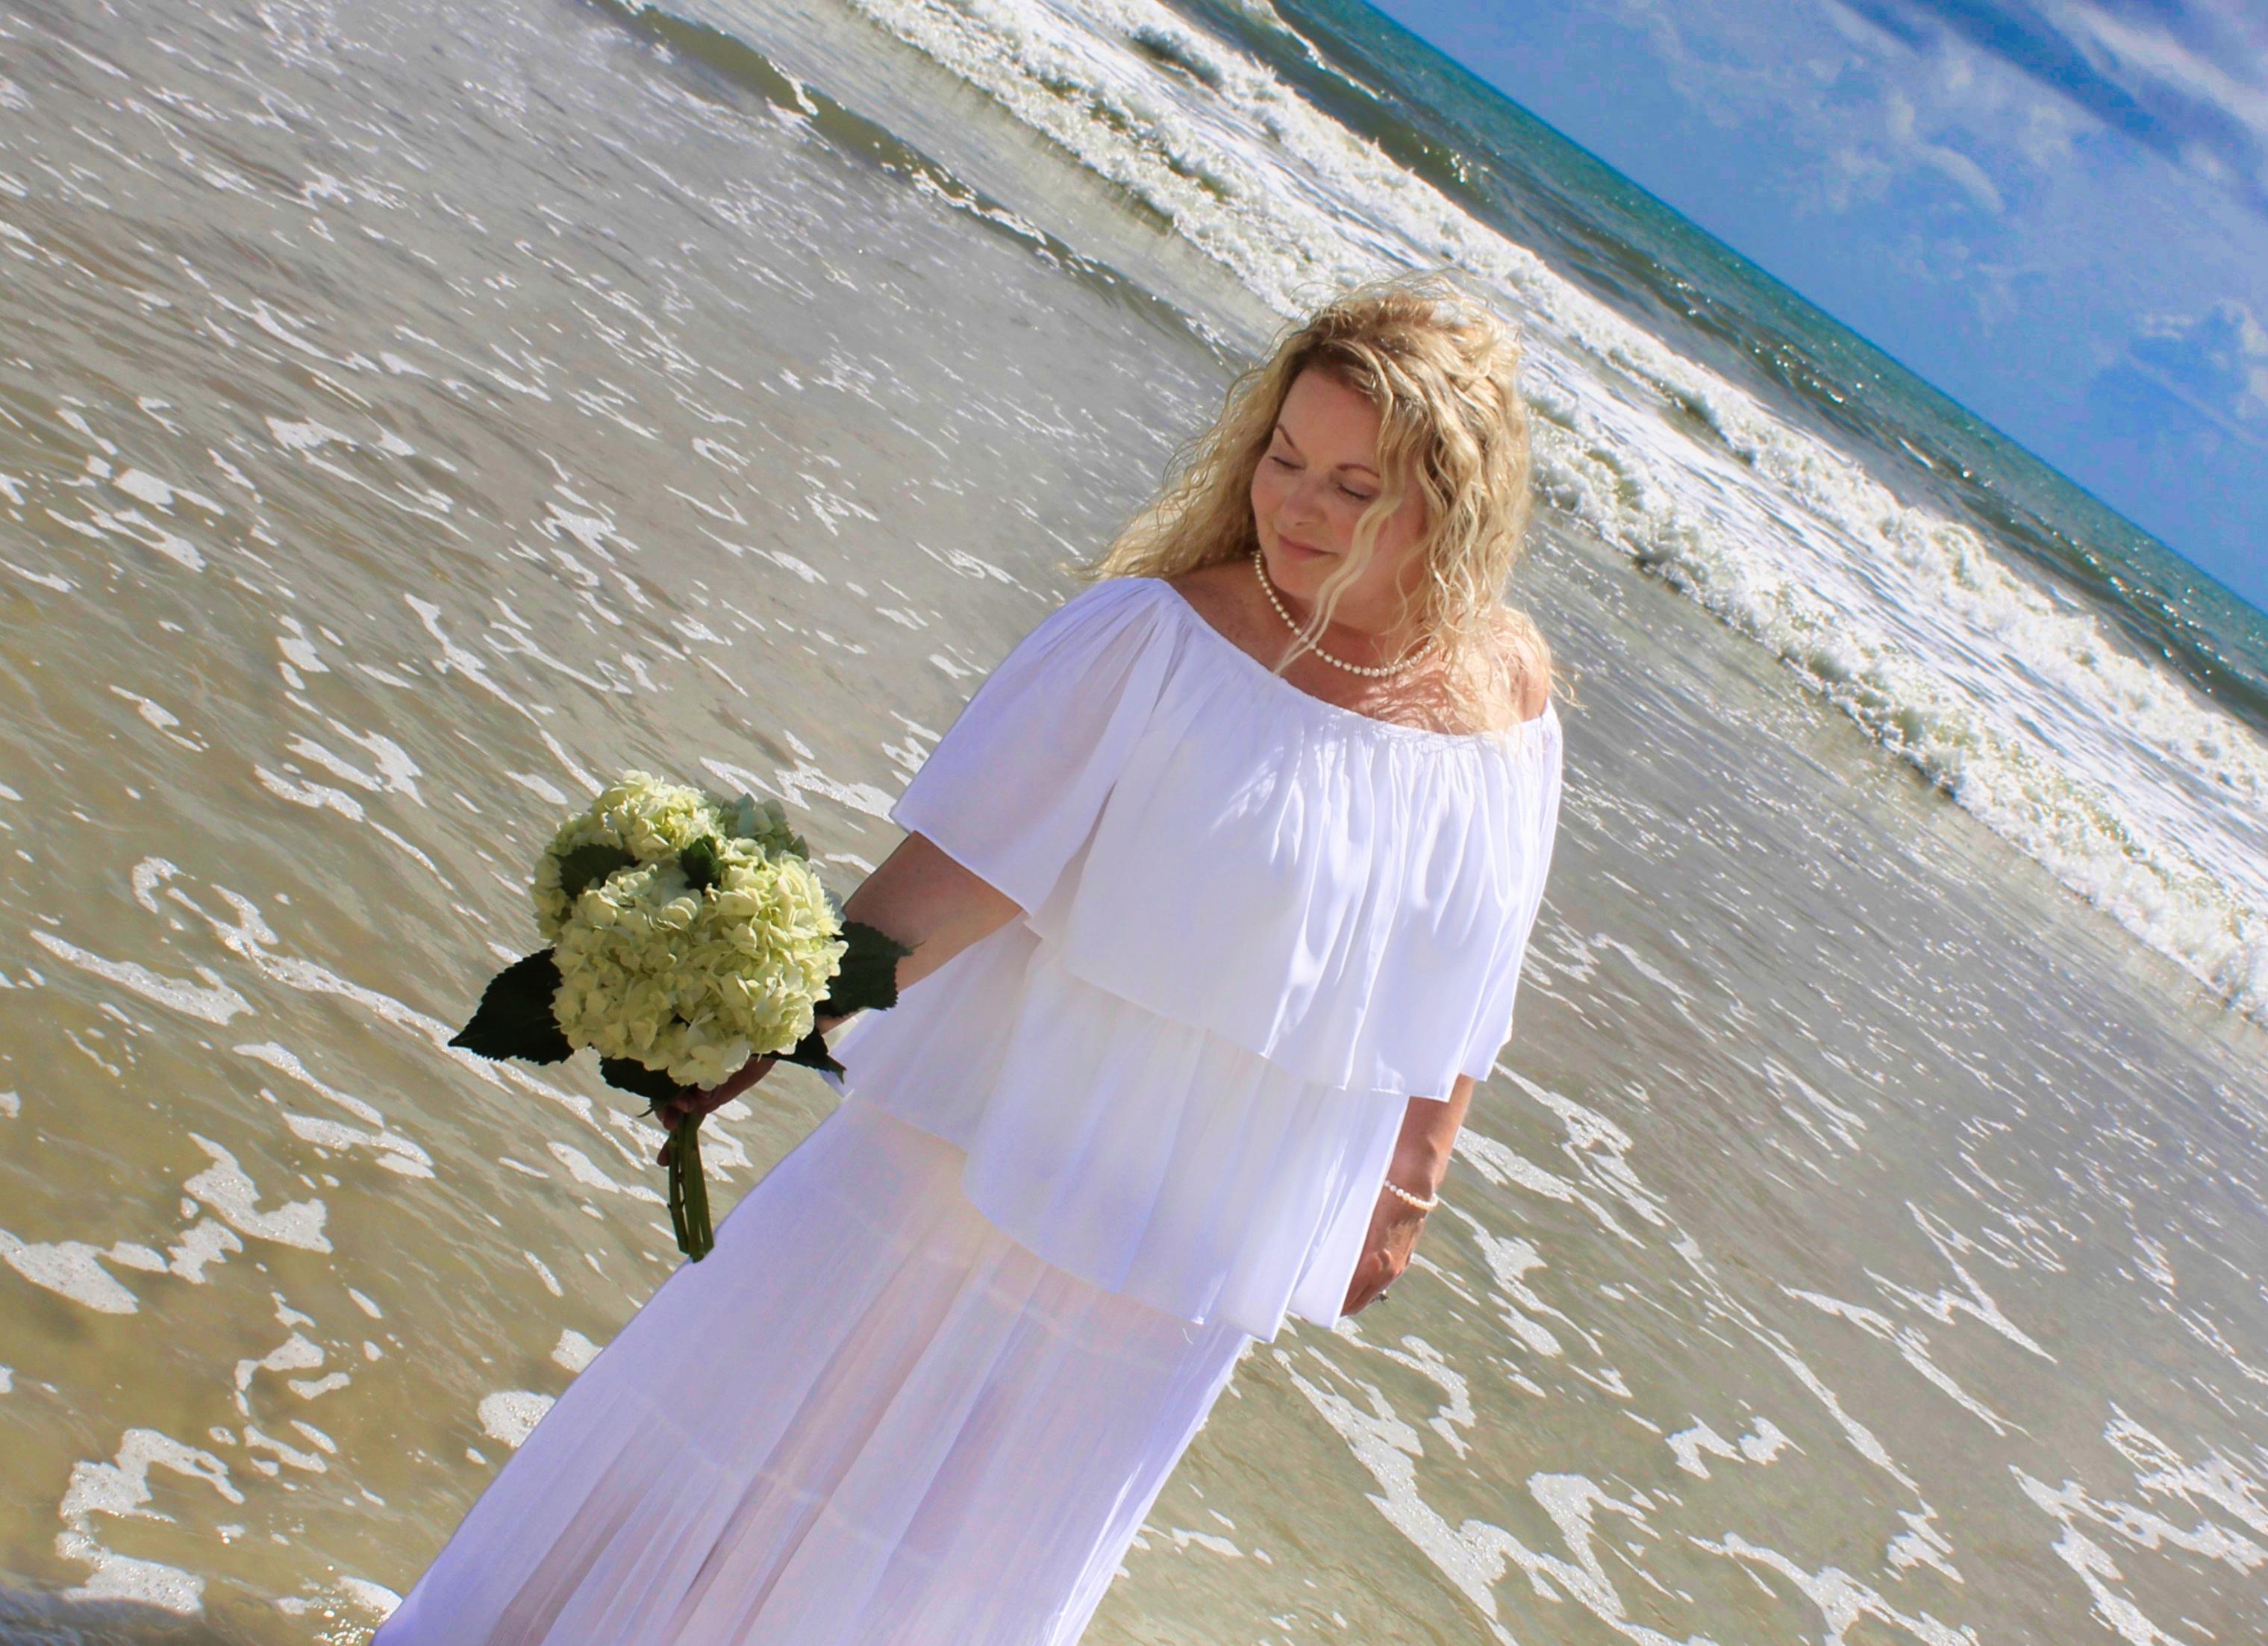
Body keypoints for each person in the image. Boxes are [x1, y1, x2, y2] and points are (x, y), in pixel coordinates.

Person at [372, 275, 1564, 1645]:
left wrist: (1409, 1185)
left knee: (959, 1575)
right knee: (752, 1463)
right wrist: (762, 1021)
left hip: (1187, 1250)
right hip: (973, 1173)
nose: (1298, 507)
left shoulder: (1506, 698)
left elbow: (1472, 973)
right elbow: (954, 880)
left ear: (1451, 505)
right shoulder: (1156, 640)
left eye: (1356, 487)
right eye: (1285, 458)